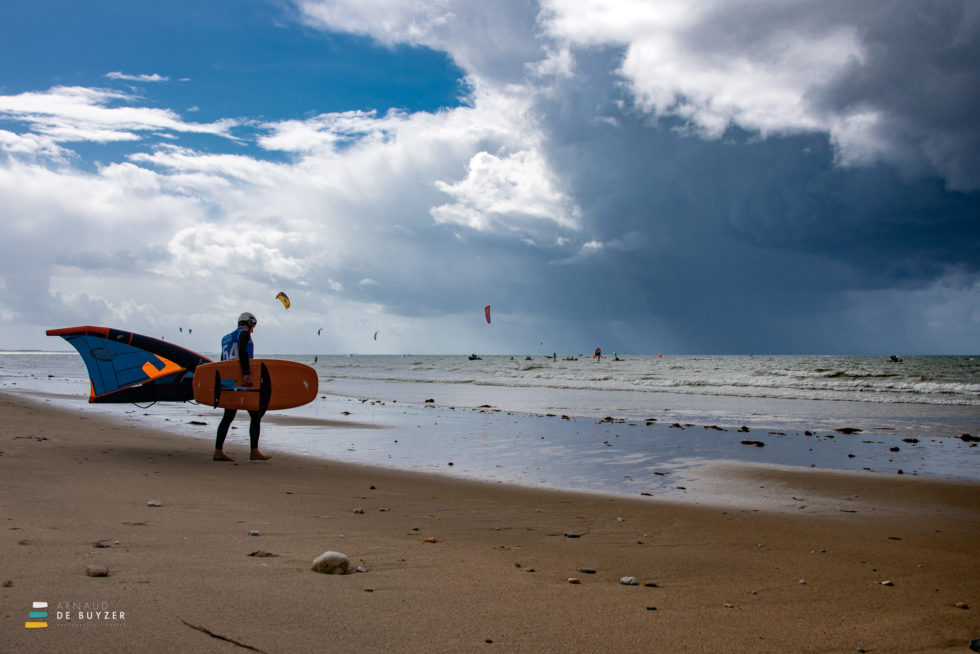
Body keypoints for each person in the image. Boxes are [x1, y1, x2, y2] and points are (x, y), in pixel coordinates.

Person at [213, 312, 270, 462]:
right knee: (255, 415)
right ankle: (254, 451)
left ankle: (218, 451)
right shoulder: (243, 334)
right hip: (242, 382)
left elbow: (222, 360)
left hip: (229, 382)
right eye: (253, 326)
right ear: (249, 323)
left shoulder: (225, 338)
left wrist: (222, 382)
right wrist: (247, 373)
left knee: (228, 416)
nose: (253, 331)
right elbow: (242, 351)